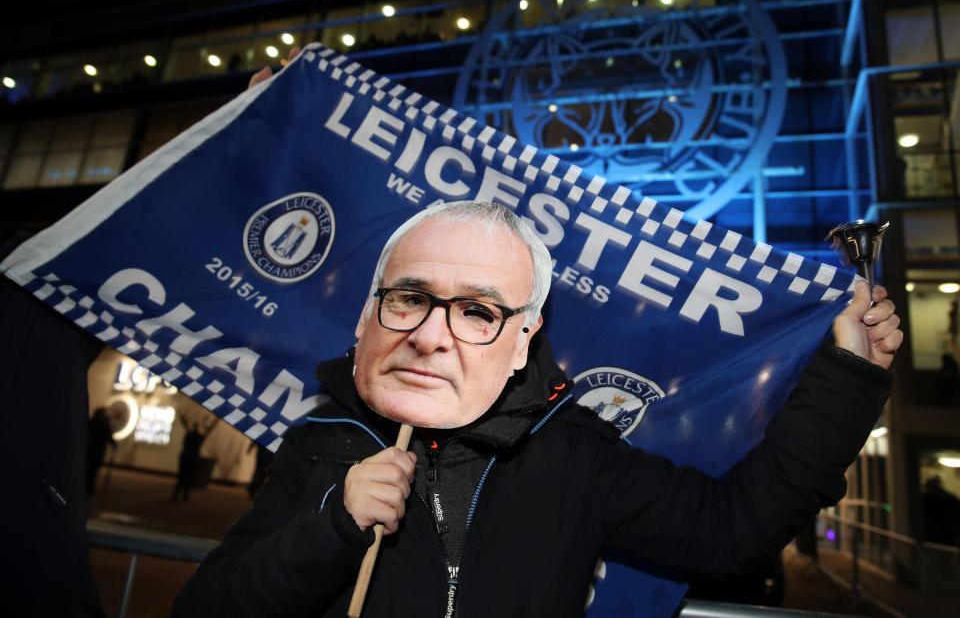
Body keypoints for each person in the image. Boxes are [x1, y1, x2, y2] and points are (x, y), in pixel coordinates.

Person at [173, 201, 902, 617]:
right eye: (409, 298)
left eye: (478, 311)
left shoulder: (575, 453)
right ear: (370, 315)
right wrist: (332, 522)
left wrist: (846, 377)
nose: (431, 335)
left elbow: (729, 531)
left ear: (524, 340)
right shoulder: (323, 443)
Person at [172, 415, 217, 502]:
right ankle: (185, 496)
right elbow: (208, 430)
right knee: (188, 477)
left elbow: (185, 423)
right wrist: (214, 420)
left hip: (185, 457)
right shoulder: (199, 437)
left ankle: (177, 495)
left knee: (181, 477)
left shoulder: (190, 434)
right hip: (192, 458)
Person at [86, 406, 116, 495]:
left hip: (90, 450)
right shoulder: (103, 424)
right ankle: (89, 488)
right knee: (93, 471)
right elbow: (109, 436)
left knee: (89, 470)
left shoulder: (92, 422)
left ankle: (87, 487)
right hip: (96, 451)